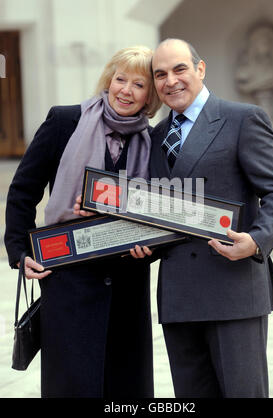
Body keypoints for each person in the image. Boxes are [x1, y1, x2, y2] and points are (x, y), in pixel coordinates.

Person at [4, 46, 161, 398]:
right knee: (71, 385)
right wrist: (19, 251)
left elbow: (159, 215)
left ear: (150, 96)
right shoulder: (65, 121)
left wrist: (149, 249)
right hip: (67, 280)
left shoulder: (154, 142)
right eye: (121, 79)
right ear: (108, 80)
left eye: (139, 84)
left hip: (126, 285)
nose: (126, 90)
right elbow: (23, 191)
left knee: (126, 387)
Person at [148, 38, 273, 398]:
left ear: (200, 69)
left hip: (233, 288)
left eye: (180, 69)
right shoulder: (155, 137)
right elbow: (151, 208)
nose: (171, 80)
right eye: (160, 74)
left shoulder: (242, 118)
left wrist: (257, 240)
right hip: (179, 296)